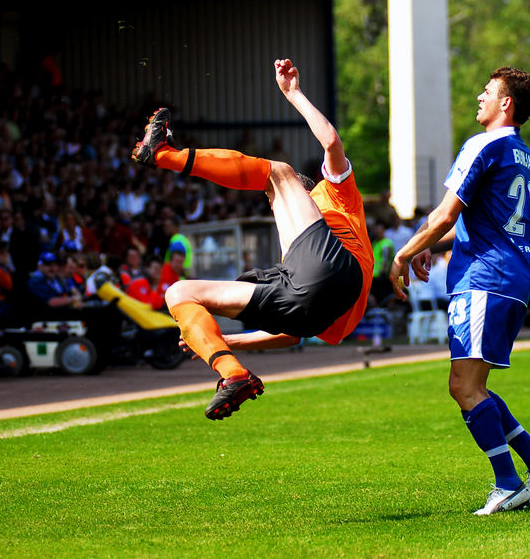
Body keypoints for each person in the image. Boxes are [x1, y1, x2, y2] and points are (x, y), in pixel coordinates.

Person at [131, 58, 373, 420]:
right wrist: (227, 341)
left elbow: (331, 141)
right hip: (315, 303)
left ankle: (165, 155)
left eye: (275, 199)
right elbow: (294, 333)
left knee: (277, 171)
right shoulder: (303, 250)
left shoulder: (334, 194)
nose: (275, 201)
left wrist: (295, 94)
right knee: (178, 294)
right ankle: (232, 373)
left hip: (336, 274)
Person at [389, 66, 530, 516]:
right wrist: (429, 243)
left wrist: (405, 252)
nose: (479, 96)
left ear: (506, 103)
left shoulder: (483, 143)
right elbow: (475, 222)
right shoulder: (519, 151)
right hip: (507, 274)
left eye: (487, 91)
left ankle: (506, 482)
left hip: (486, 277)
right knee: (474, 385)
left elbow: (446, 215)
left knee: (464, 387)